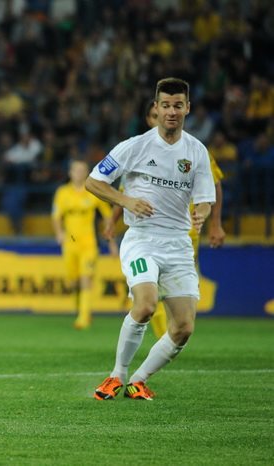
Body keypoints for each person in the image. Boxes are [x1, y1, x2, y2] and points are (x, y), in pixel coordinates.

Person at [86, 78, 215, 400]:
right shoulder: (134, 146)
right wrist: (126, 201)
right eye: (166, 105)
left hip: (179, 244)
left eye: (178, 105)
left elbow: (205, 198)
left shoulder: (197, 151)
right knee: (144, 306)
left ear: (187, 108)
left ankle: (139, 380)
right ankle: (116, 376)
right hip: (142, 240)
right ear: (156, 108)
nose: (172, 111)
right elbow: (93, 181)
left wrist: (201, 213)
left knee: (184, 328)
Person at [104, 99, 226, 339]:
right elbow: (126, 190)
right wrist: (112, 219)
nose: (159, 119)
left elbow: (214, 185)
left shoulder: (194, 149)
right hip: (148, 232)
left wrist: (215, 224)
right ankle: (164, 339)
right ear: (150, 118)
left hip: (185, 234)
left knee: (179, 298)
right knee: (151, 293)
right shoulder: (138, 149)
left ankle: (171, 338)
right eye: (153, 115)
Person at [52, 159, 117, 330]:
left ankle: (83, 317)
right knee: (74, 282)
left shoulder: (93, 191)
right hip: (69, 244)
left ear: (87, 173)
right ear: (70, 173)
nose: (79, 173)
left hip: (89, 244)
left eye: (82, 170)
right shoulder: (62, 192)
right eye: (76, 170)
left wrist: (111, 243)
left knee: (85, 279)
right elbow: (56, 216)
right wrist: (59, 233)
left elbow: (107, 217)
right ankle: (79, 308)